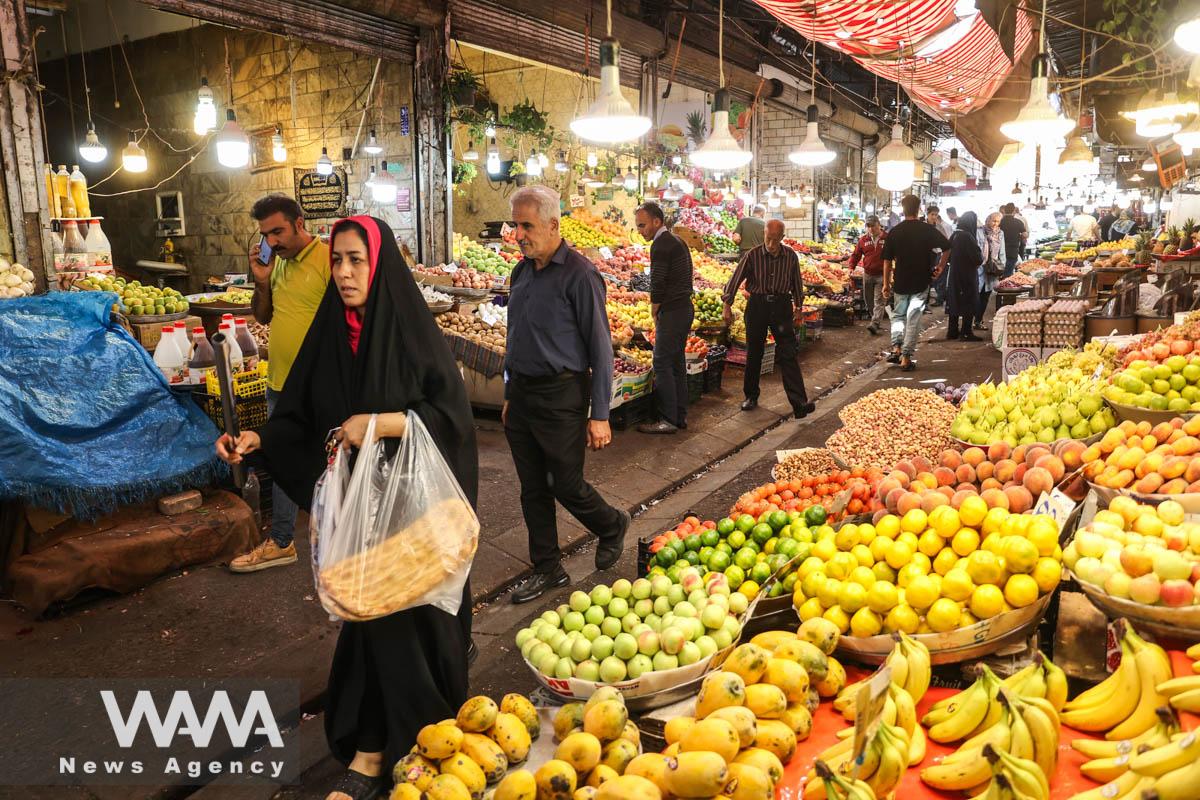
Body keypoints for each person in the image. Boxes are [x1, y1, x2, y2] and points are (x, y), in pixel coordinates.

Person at [215, 216, 476, 800]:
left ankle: (422, 744)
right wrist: (258, 440)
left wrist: (383, 424)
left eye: (357, 259)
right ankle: (373, 744)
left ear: (379, 262)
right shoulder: (330, 331)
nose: (346, 271)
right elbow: (301, 414)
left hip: (412, 513)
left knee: (415, 624)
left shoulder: (410, 330)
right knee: (369, 619)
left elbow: (452, 419)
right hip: (358, 514)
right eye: (338, 261)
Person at [502, 186, 630, 605]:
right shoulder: (520, 273)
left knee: (565, 483)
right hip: (522, 395)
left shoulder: (580, 274)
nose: (518, 234)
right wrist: (509, 391)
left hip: (561, 394)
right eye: (515, 224)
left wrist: (600, 413)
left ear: (553, 226)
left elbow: (600, 347)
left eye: (527, 225)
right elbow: (514, 335)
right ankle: (547, 568)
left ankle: (611, 524)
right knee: (532, 487)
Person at [229, 194, 330, 573]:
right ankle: (283, 542)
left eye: (278, 232)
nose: (271, 242)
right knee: (285, 463)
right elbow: (264, 315)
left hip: (316, 387)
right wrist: (262, 282)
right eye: (265, 235)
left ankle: (345, 543)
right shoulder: (278, 264)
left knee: (330, 463)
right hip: (279, 382)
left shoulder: (327, 260)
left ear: (299, 223)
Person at [722, 219, 816, 419]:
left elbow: (796, 283)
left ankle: (799, 403)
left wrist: (799, 307)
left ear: (782, 238)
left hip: (782, 306)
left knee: (788, 353)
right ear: (764, 234)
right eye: (768, 239)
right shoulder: (753, 255)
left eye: (775, 240)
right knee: (754, 352)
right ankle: (751, 396)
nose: (771, 244)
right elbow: (735, 279)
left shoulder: (790, 256)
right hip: (757, 306)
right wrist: (727, 305)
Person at [634, 202, 694, 434]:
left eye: (642, 225)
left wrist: (654, 309)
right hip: (684, 308)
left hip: (673, 309)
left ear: (657, 222)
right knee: (676, 362)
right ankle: (679, 415)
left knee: (661, 362)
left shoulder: (660, 245)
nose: (640, 230)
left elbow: (658, 282)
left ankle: (668, 419)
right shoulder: (677, 240)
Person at [882, 195, 951, 372]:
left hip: (901, 282)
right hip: (921, 282)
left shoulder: (894, 232)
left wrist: (885, 284)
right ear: (919, 208)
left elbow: (887, 262)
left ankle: (896, 348)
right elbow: (947, 246)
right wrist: (941, 267)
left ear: (903, 209)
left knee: (898, 316)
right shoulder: (926, 230)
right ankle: (906, 357)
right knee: (913, 319)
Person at [945, 211, 984, 341]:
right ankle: (966, 332)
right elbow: (977, 258)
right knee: (969, 301)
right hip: (967, 275)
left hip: (954, 274)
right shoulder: (967, 236)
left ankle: (952, 331)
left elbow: (947, 255)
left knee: (954, 300)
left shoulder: (955, 234)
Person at [848, 215, 886, 335]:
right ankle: (874, 317)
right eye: (868, 226)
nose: (871, 229)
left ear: (878, 225)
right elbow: (856, 255)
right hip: (868, 274)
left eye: (873, 226)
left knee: (879, 299)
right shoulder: (863, 240)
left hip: (882, 274)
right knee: (868, 299)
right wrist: (851, 267)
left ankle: (875, 323)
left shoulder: (887, 238)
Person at [978, 212, 1006, 330]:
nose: (995, 224)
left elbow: (1002, 251)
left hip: (993, 269)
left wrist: (1001, 268)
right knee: (977, 294)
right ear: (987, 220)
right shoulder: (979, 231)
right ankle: (972, 319)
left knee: (986, 296)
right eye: (993, 220)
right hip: (980, 267)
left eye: (998, 221)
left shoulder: (1000, 233)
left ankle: (978, 320)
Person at [926, 205, 954, 306]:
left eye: (936, 215)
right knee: (927, 278)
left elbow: (947, 243)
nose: (934, 217)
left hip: (938, 254)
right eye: (932, 214)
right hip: (926, 254)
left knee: (938, 277)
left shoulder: (940, 226)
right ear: (927, 214)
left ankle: (940, 299)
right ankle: (925, 303)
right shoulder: (923, 225)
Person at [999, 203, 1027, 277]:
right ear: (1014, 211)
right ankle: (1007, 285)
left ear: (1004, 210)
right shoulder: (1018, 222)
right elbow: (1025, 235)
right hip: (1013, 250)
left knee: (1000, 271)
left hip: (1000, 251)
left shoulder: (999, 222)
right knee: (1009, 272)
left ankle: (1002, 283)